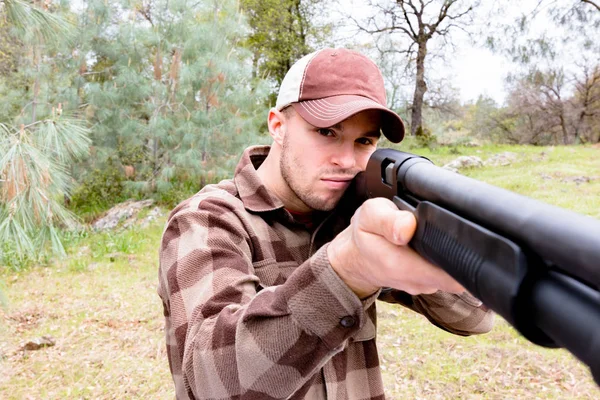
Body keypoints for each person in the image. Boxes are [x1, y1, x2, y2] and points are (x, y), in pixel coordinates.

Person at [158, 48, 494, 400]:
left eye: (364, 140)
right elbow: (212, 381)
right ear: (278, 125)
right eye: (326, 131)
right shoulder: (208, 218)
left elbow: (475, 317)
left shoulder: (353, 213)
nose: (347, 161)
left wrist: (420, 240)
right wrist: (348, 270)